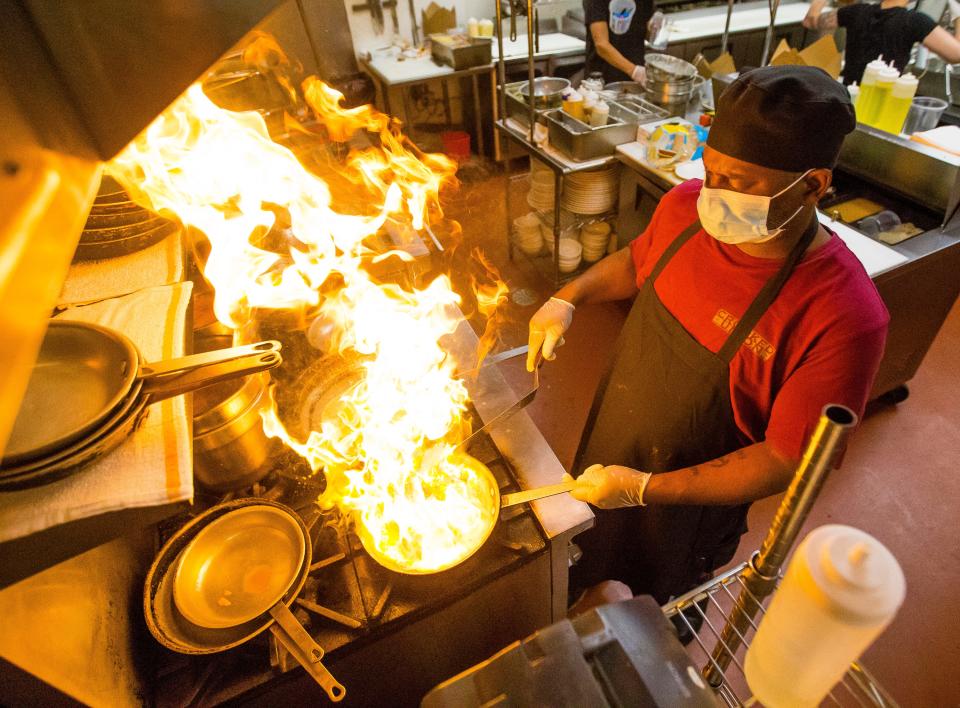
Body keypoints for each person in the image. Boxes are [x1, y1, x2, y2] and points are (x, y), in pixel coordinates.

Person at [526, 66, 889, 615]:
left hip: (684, 512)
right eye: (711, 171)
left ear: (813, 184)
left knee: (646, 622)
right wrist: (569, 298)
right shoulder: (685, 209)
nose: (713, 193)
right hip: (612, 444)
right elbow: (637, 262)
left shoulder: (844, 313)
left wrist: (645, 489)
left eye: (739, 183)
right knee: (581, 571)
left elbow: (786, 459)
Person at [804, 0, 960, 85]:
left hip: (846, 97)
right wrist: (958, 14)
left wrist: (818, 3)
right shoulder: (915, 21)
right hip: (881, 101)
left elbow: (810, 22)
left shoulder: (856, 11)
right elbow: (956, 54)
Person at [584, 0, 654, 84]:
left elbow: (645, 32)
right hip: (601, 79)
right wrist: (634, 71)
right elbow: (601, 45)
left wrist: (654, 29)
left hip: (637, 74)